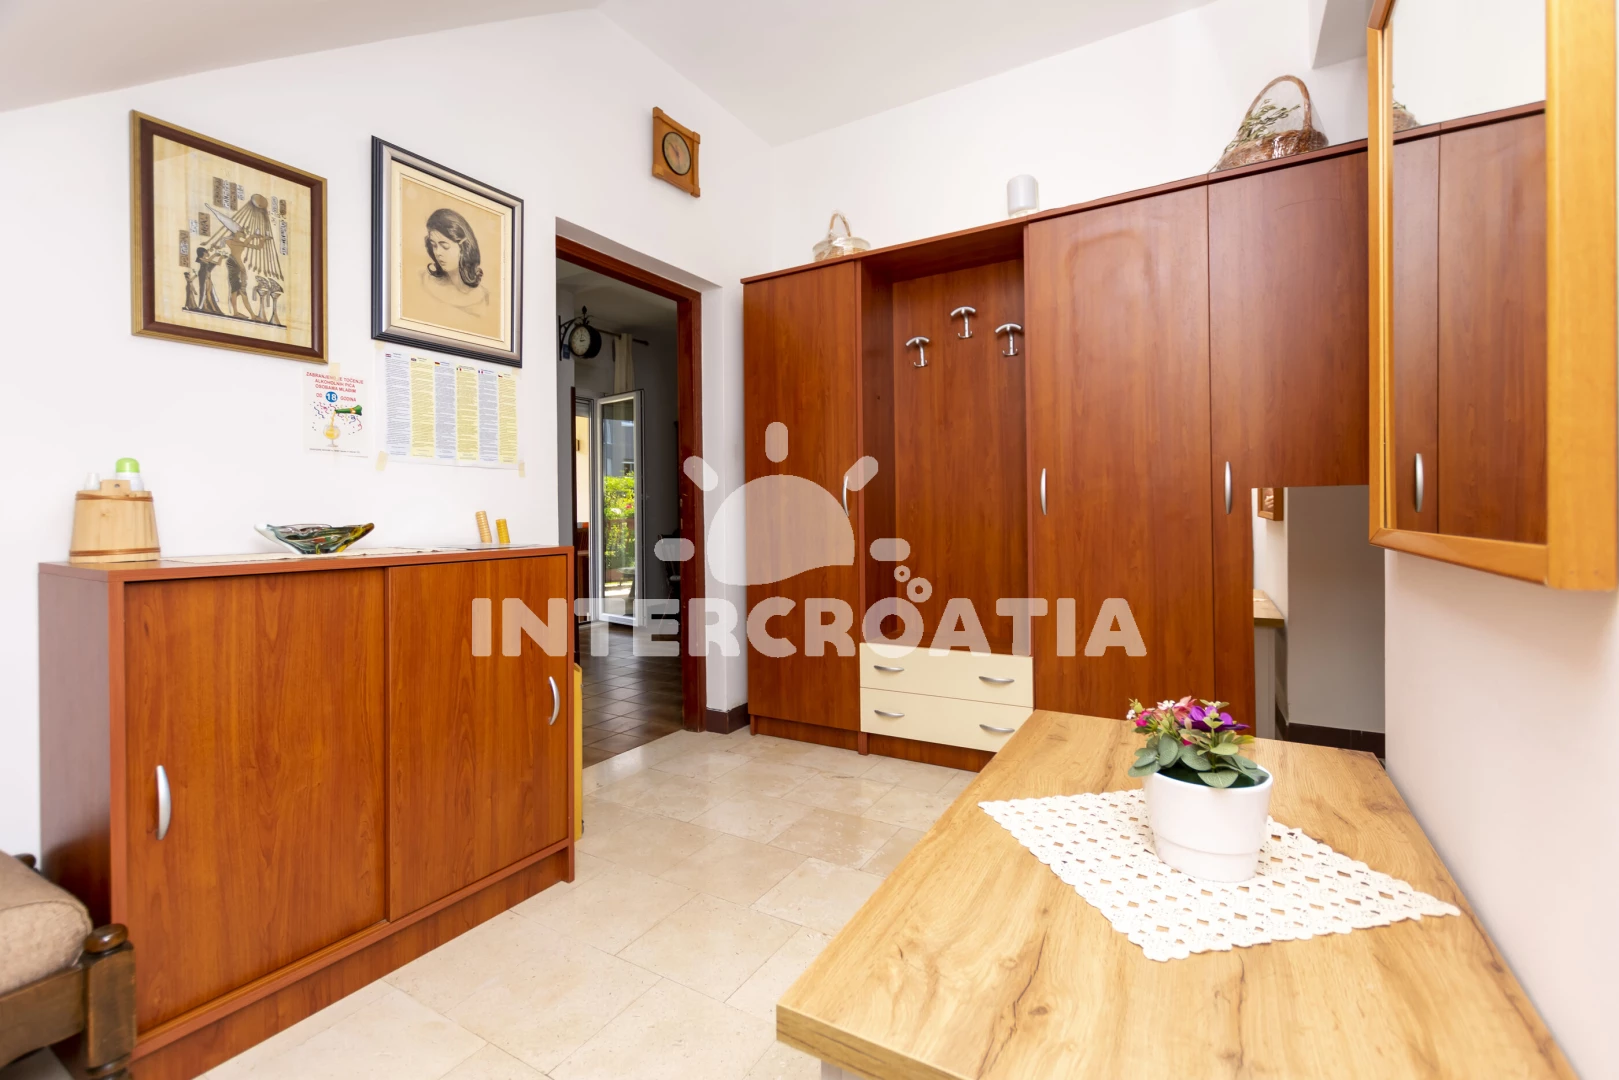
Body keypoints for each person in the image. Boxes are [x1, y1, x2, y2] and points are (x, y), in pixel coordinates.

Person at [418, 207, 490, 319]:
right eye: (434, 245)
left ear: (464, 247)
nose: (438, 253)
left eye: (445, 246)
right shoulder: (423, 280)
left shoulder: (482, 300)